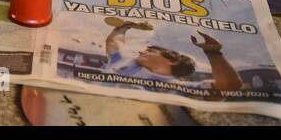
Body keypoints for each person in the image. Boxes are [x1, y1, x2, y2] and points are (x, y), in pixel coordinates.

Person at [103, 19, 243, 92]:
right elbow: (113, 43)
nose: (141, 51)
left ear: (172, 61)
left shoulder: (177, 88)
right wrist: (125, 26)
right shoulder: (127, 63)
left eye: (150, 50)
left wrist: (214, 53)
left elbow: (229, 86)